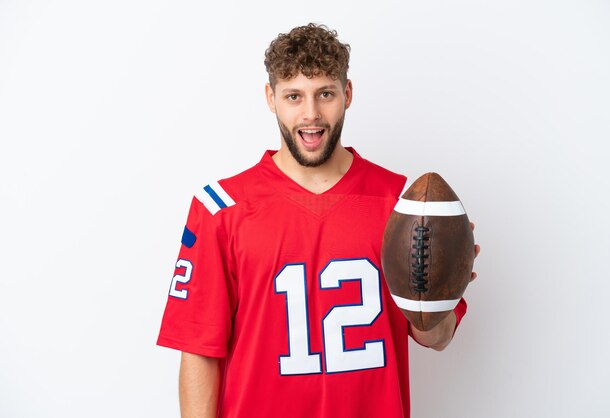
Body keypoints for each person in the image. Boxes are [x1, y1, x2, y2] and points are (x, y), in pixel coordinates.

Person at [157, 23, 479, 418]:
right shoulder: (220, 209)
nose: (311, 114)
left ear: (346, 94)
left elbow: (436, 338)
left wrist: (437, 293)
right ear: (270, 99)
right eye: (294, 96)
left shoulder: (400, 205)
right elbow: (199, 352)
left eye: (325, 93)